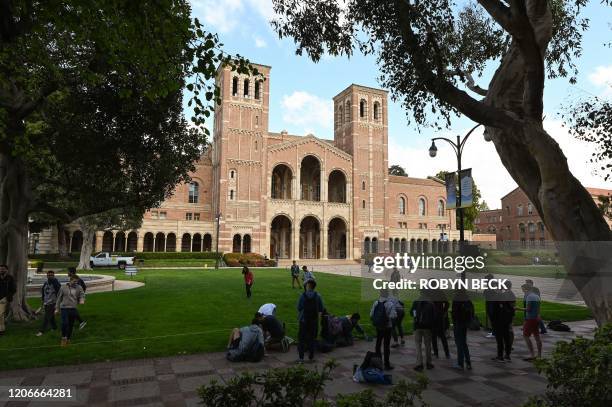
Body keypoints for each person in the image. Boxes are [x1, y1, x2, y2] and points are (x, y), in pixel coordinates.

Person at [297, 279, 324, 363]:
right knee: (312, 338)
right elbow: (321, 309)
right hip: (313, 320)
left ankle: (301, 358)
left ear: (308, 286)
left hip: (303, 320)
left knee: (301, 339)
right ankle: (311, 356)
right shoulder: (318, 296)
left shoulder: (303, 295)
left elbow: (299, 307)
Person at [370, 288, 397, 370]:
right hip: (387, 327)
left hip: (378, 327)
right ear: (387, 294)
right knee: (386, 346)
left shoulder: (376, 303)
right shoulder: (390, 304)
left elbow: (371, 315)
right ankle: (387, 364)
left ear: (380, 293)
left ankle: (378, 363)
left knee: (378, 344)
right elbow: (393, 316)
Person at [55, 275, 85, 346]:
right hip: (64, 308)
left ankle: (68, 339)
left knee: (71, 325)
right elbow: (59, 299)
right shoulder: (63, 287)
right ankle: (63, 338)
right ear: (70, 280)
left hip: (73, 308)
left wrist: (82, 300)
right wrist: (56, 308)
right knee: (65, 323)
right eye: (74, 281)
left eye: (77, 282)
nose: (76, 283)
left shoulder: (79, 287)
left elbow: (82, 295)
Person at [490, 281, 516, 362]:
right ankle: (507, 355)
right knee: (506, 337)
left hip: (499, 321)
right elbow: (511, 308)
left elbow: (494, 311)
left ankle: (500, 356)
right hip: (506, 320)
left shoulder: (497, 297)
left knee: (500, 339)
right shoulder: (506, 296)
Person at [410, 290, 435, 371]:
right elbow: (434, 316)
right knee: (428, 345)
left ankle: (419, 364)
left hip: (417, 326)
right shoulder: (431, 303)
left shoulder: (416, 302)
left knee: (418, 346)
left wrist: (415, 317)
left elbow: (412, 312)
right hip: (427, 327)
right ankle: (429, 363)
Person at [518, 283, 542, 361]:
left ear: (526, 289)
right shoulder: (537, 296)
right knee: (537, 337)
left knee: (526, 336)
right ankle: (539, 355)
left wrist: (518, 308)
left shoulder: (529, 296)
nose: (522, 291)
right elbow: (538, 309)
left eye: (523, 289)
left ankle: (532, 355)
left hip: (530, 319)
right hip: (536, 318)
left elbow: (528, 309)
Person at [451, 289, 474, 370]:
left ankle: (460, 363)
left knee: (459, 343)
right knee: (464, 343)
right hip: (465, 323)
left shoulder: (456, 299)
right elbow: (472, 311)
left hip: (458, 323)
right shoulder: (467, 299)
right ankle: (468, 362)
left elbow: (454, 313)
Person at [36, 270, 61, 336]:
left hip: (53, 302)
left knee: (47, 317)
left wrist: (58, 304)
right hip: (46, 302)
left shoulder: (56, 283)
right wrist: (43, 300)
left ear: (54, 276)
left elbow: (59, 293)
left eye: (51, 275)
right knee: (51, 316)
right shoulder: (46, 283)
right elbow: (43, 292)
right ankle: (54, 327)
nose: (50, 276)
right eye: (49, 275)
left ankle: (41, 331)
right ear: (47, 276)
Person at [431, 291, 450, 359]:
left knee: (434, 336)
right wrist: (444, 312)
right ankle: (447, 353)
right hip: (440, 317)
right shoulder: (441, 293)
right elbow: (447, 303)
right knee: (442, 336)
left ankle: (436, 353)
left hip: (434, 317)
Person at [0, 264, 16, 336]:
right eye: (0, 269)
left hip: (4, 299)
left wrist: (7, 297)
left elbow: (13, 289)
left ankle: (1, 330)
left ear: (7, 270)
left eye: (3, 269)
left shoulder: (10, 278)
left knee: (0, 314)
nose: (1, 270)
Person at [483, 273, 496, 338]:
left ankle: (494, 332)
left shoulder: (492, 284)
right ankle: (494, 331)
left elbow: (491, 293)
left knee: (493, 317)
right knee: (491, 317)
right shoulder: (490, 284)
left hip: (492, 303)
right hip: (489, 302)